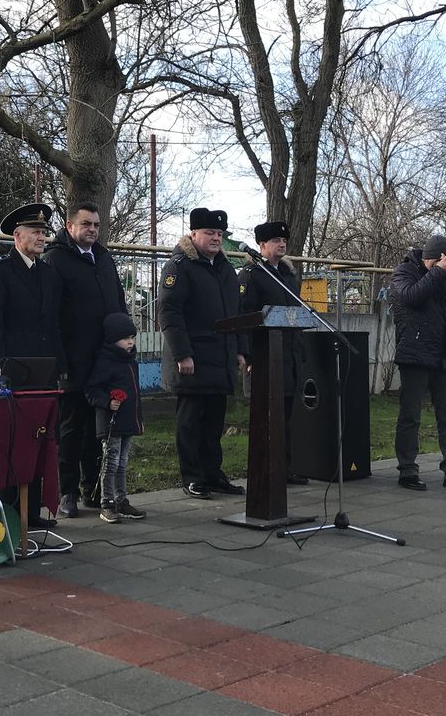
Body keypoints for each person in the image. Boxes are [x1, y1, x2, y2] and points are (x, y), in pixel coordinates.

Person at [0, 202, 65, 528]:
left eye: (44, 232)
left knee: (39, 439)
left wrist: (60, 363)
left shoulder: (47, 273)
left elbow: (54, 323)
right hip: (12, 371)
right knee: (12, 442)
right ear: (17, 235)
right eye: (36, 232)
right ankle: (9, 510)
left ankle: (33, 510)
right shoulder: (1, 270)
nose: (42, 237)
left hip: (43, 371)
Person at [42, 200, 127, 518]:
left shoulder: (104, 260)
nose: (92, 229)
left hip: (103, 363)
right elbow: (50, 317)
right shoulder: (56, 261)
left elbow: (118, 305)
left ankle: (94, 489)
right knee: (71, 431)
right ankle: (67, 493)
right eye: (86, 224)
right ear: (69, 226)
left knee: (100, 430)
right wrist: (59, 362)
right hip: (72, 364)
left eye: (96, 224)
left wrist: (124, 342)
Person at [158, 207, 245, 499]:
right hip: (192, 359)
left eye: (220, 234)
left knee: (213, 424)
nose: (216, 238)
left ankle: (212, 474)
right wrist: (183, 353)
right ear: (193, 234)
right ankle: (192, 476)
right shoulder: (179, 267)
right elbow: (169, 312)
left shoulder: (225, 270)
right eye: (209, 233)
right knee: (191, 423)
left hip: (220, 359)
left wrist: (240, 350)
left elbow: (238, 314)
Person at [389, 234, 446, 492]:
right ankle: (407, 470)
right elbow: (411, 297)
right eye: (443, 260)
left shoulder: (445, 277)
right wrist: (438, 273)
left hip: (443, 355)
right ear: (432, 258)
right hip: (414, 354)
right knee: (410, 417)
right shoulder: (404, 273)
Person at [238, 220, 307, 485]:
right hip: (264, 357)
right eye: (276, 240)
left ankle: (284, 467)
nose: (282, 244)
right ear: (262, 245)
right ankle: (265, 468)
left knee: (286, 416)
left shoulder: (288, 276)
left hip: (288, 357)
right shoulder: (252, 275)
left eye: (284, 241)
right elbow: (245, 317)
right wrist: (250, 357)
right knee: (267, 418)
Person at [85, 312, 146, 523]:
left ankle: (121, 499)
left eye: (132, 338)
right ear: (113, 340)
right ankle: (107, 502)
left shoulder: (131, 362)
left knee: (123, 462)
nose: (130, 342)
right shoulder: (105, 362)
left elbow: (135, 393)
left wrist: (138, 419)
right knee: (110, 462)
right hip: (111, 423)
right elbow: (92, 390)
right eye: (125, 338)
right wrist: (107, 402)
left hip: (128, 421)